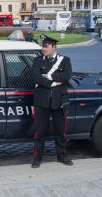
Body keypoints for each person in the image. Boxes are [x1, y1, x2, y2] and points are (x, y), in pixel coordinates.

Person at [31, 34, 73, 168]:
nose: (43, 48)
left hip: (59, 100)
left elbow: (67, 76)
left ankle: (62, 156)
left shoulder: (65, 60)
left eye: (46, 46)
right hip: (41, 101)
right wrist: (54, 83)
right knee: (39, 133)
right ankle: (37, 158)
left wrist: (49, 77)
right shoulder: (37, 61)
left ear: (54, 47)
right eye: (43, 46)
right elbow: (36, 78)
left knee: (60, 132)